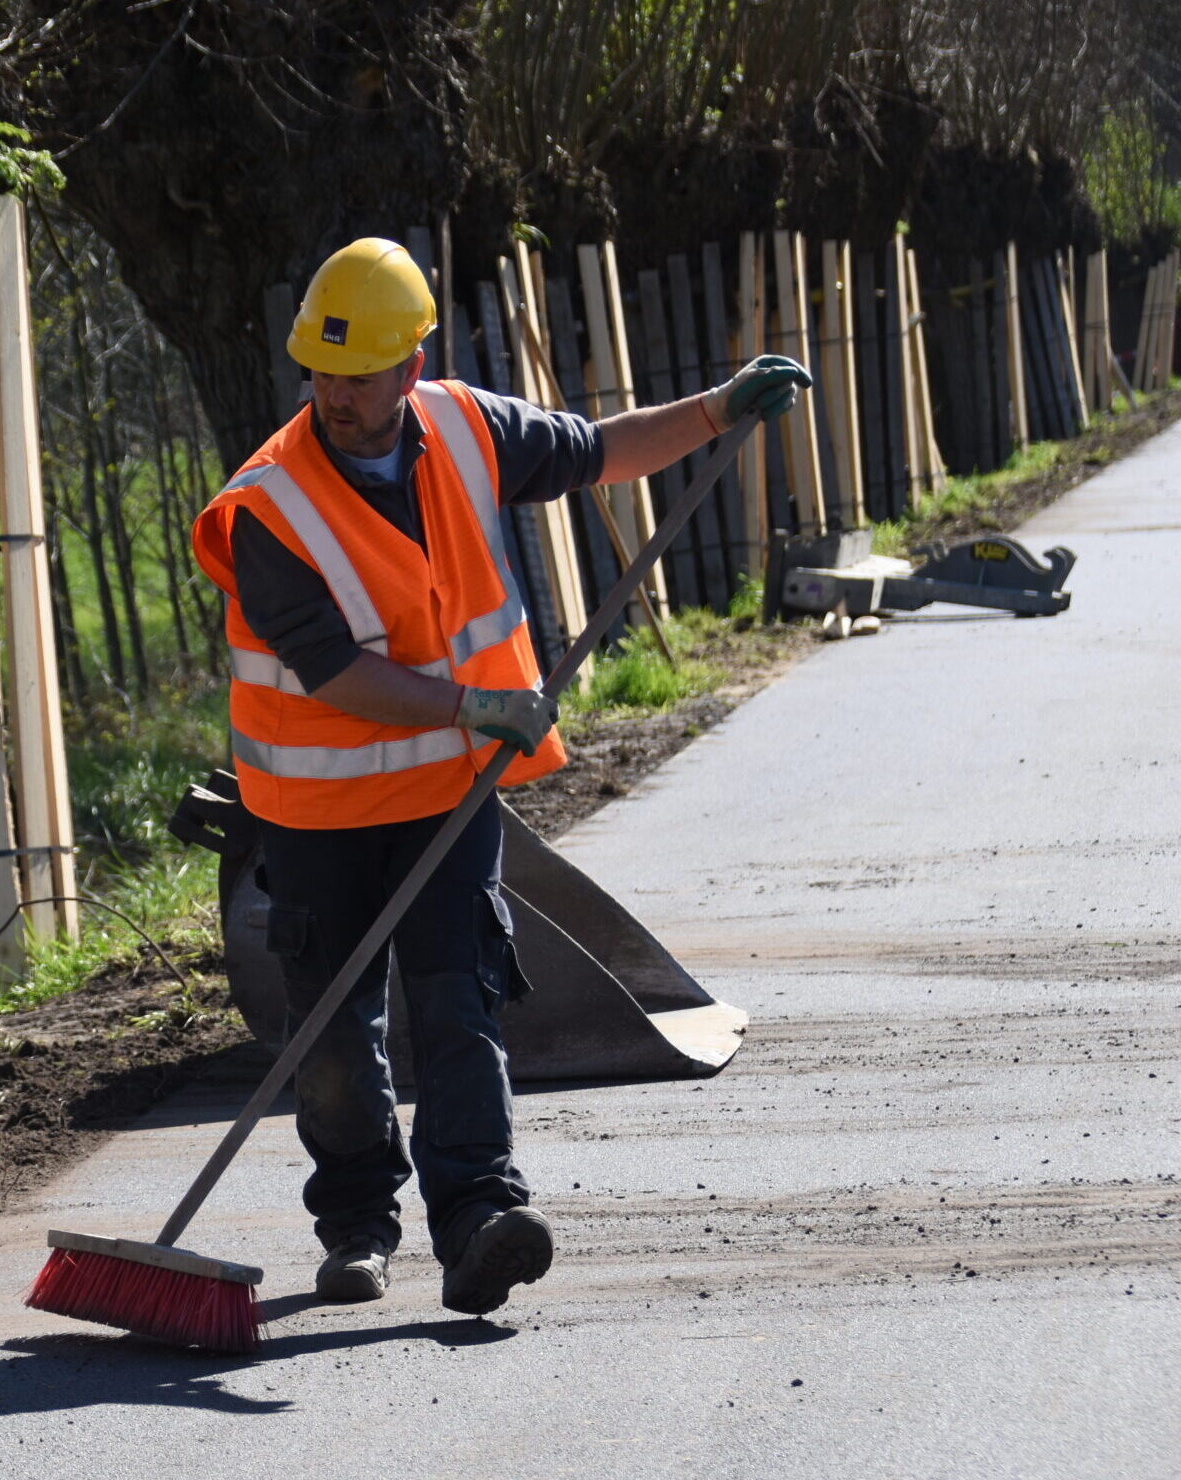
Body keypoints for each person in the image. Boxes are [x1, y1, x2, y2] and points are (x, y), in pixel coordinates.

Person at [189, 238, 808, 1316]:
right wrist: (474, 705)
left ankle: (479, 1216)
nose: (337, 393)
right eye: (323, 373)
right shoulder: (269, 507)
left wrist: (718, 408)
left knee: (459, 1002)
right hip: (317, 811)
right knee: (334, 1035)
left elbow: (597, 450)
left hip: (445, 794)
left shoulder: (470, 426)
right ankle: (356, 1229)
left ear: (412, 364)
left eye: (363, 371)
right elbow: (333, 669)